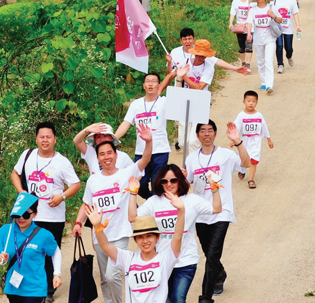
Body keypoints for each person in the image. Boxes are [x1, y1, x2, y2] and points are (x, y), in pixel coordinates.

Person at [73, 124, 154, 303]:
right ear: (98, 158)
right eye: (102, 154)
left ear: (116, 156)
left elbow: (146, 159)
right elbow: (86, 204)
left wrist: (148, 141)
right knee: (104, 278)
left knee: (112, 275)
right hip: (100, 235)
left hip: (120, 234)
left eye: (109, 153)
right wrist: (78, 223)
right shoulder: (93, 180)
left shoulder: (126, 174)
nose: (106, 157)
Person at [128, 165, 221, 303]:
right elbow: (133, 218)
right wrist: (133, 193)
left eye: (173, 180)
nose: (169, 184)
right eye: (164, 181)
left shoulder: (191, 200)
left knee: (178, 299)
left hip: (186, 261)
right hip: (162, 261)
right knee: (164, 300)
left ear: (180, 181)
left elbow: (216, 208)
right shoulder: (154, 202)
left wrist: (214, 189)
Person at [11, 122, 80, 302]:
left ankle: (48, 290)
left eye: (48, 136)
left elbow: (76, 184)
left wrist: (62, 197)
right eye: (41, 136)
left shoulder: (62, 162)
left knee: (49, 252)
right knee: (26, 251)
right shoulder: (27, 155)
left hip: (53, 216)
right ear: (36, 138)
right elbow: (14, 174)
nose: (45, 140)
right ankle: (26, 285)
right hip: (28, 216)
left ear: (55, 139)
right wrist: (21, 192)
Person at [185, 120, 250, 303]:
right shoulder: (191, 159)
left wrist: (238, 142)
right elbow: (186, 182)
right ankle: (220, 274)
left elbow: (246, 164)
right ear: (197, 135)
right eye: (203, 131)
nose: (206, 134)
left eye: (210, 130)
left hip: (222, 211)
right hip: (200, 213)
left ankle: (206, 297)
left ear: (215, 133)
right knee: (208, 252)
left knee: (213, 254)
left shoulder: (226, 155)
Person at [87, 193, 185, 303]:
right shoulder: (128, 258)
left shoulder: (165, 258)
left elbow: (177, 237)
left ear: (157, 237)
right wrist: (97, 227)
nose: (145, 241)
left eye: (149, 236)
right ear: (135, 240)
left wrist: (181, 211)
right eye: (140, 237)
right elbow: (105, 246)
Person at [167, 31, 248, 153]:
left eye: (204, 55)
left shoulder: (209, 66)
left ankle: (194, 167)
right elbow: (172, 75)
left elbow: (199, 87)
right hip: (184, 100)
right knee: (183, 142)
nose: (201, 57)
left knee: (194, 141)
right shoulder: (186, 62)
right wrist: (177, 77)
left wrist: (236, 69)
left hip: (200, 102)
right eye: (199, 55)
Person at [115, 71, 178, 199]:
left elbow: (180, 98)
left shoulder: (164, 102)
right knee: (140, 184)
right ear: (143, 85)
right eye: (148, 81)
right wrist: (113, 139)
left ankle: (156, 209)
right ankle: (152, 201)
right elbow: (126, 123)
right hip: (141, 152)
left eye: (154, 81)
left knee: (157, 184)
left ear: (159, 85)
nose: (150, 84)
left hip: (160, 150)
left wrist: (180, 78)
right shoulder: (136, 104)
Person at [0, 192, 62, 303]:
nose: (21, 218)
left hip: (35, 288)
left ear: (35, 214)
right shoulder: (6, 231)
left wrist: (57, 274)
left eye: (25, 215)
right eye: (17, 215)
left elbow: (55, 251)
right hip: (13, 287)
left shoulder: (44, 235)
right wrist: (1, 259)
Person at [232, 91, 274, 188]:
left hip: (255, 142)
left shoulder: (259, 115)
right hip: (244, 142)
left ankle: (251, 180)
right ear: (244, 102)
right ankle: (242, 170)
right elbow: (236, 127)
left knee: (254, 160)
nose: (251, 103)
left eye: (253, 101)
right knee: (243, 159)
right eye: (248, 101)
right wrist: (233, 139)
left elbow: (264, 127)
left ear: (257, 103)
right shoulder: (241, 115)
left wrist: (269, 139)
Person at [246, 0, 281, 94]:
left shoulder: (271, 8)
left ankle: (269, 85)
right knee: (260, 61)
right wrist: (248, 33)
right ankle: (264, 82)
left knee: (268, 61)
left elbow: (280, 20)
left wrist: (273, 15)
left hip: (270, 38)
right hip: (258, 39)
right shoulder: (253, 10)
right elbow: (249, 22)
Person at [272, 0, 301, 74]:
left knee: (288, 47)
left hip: (288, 27)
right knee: (279, 45)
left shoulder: (292, 0)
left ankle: (289, 56)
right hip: (277, 27)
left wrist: (298, 25)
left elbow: (295, 13)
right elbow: (270, 12)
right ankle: (280, 64)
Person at [228, 0, 255, 70]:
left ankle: (248, 64)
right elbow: (232, 14)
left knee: (249, 45)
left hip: (250, 27)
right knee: (241, 47)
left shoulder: (252, 1)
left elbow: (253, 14)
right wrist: (231, 24)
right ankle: (243, 63)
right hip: (240, 28)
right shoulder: (235, 2)